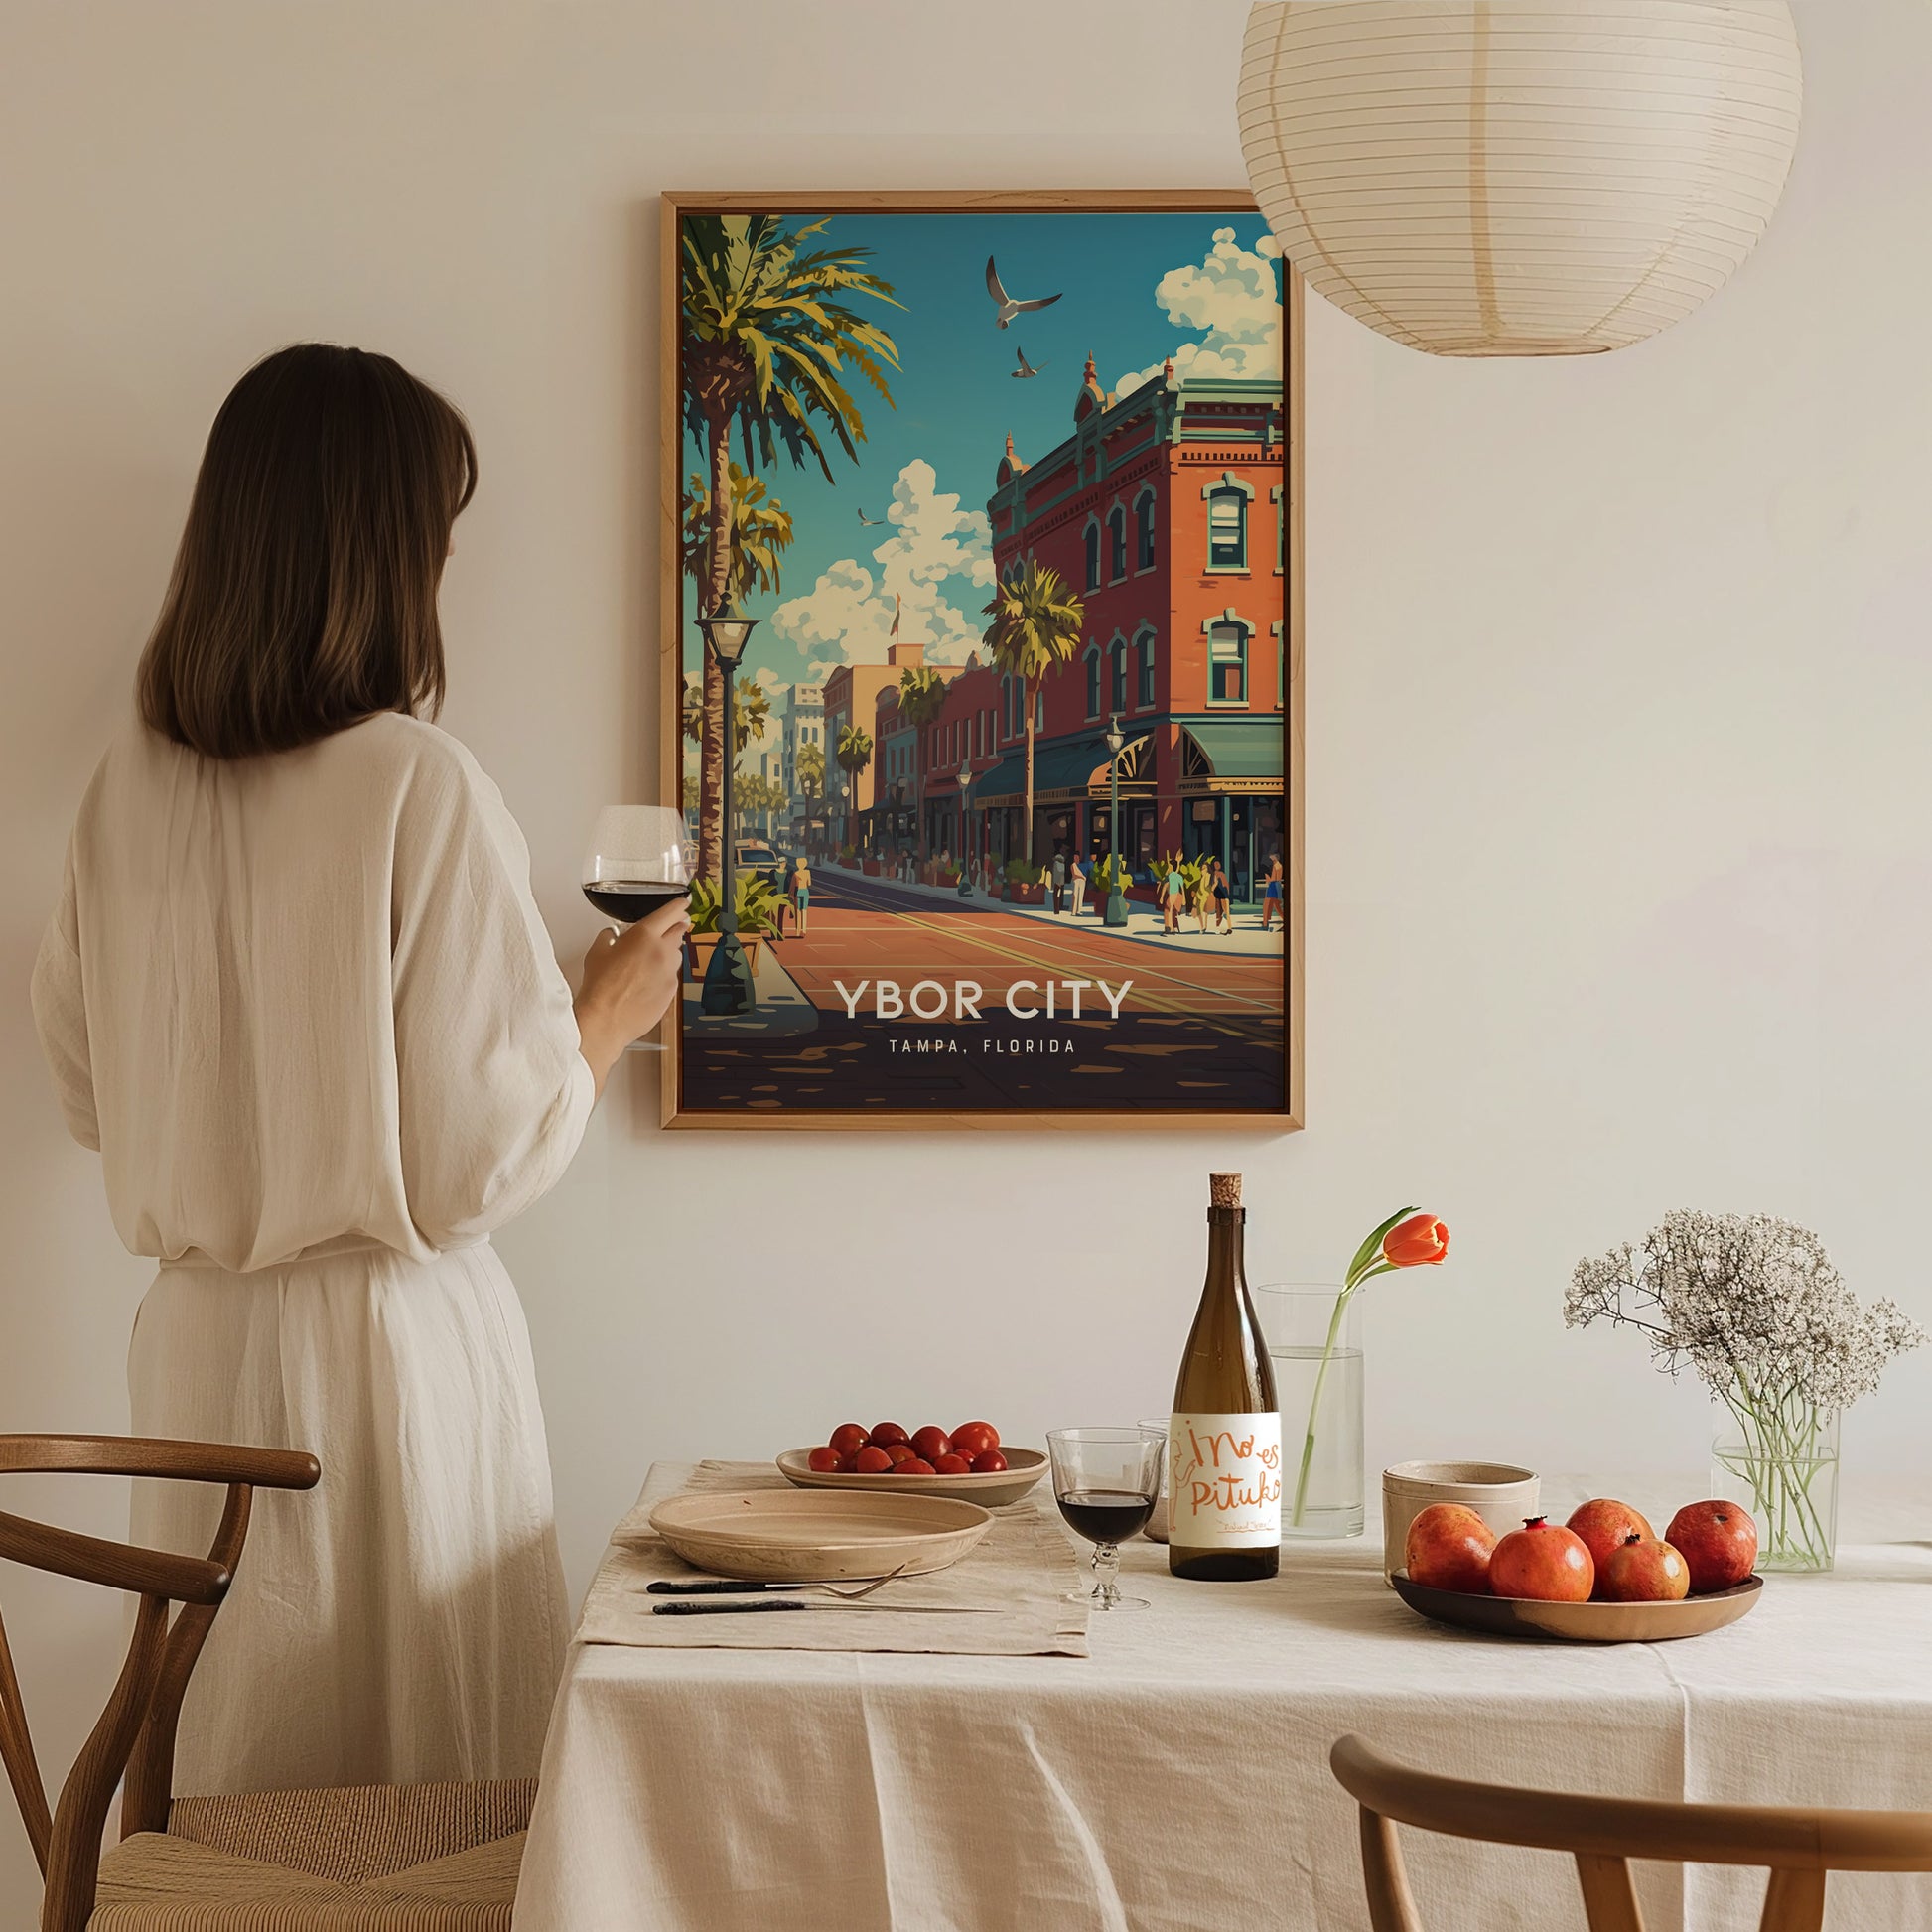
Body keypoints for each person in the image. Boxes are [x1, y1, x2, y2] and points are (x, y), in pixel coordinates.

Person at [30, 344, 688, 1797]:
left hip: (194, 1355)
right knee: (426, 1801)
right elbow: (472, 1162)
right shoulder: (416, 780)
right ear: (383, 550)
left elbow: (87, 1091)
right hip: (388, 1362)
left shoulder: (122, 792)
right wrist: (601, 1016)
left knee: (234, 1778)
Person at [1261, 851, 1286, 932]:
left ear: (1275, 856)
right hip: (1274, 886)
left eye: (1271, 855)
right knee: (1274, 906)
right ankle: (1265, 923)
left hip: (1273, 886)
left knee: (1268, 905)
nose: (1270, 856)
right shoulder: (1277, 865)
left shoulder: (1276, 865)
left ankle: (1265, 923)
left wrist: (1268, 878)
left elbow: (1275, 879)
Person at [1208, 856, 1233, 934]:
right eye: (1216, 864)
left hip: (1222, 895)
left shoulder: (1220, 874)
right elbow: (1221, 884)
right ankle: (1226, 928)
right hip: (1218, 895)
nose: (1217, 865)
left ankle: (1229, 927)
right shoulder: (1214, 875)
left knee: (1225, 912)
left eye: (1218, 863)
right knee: (1222, 913)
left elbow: (1226, 884)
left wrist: (1228, 894)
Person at [1163, 858, 1186, 934]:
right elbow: (1182, 888)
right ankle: (1171, 927)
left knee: (1168, 911)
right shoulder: (1179, 876)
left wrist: (1161, 897)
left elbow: (1165, 886)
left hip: (1173, 895)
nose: (1168, 868)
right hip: (1178, 895)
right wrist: (1184, 899)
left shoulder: (1169, 876)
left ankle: (1170, 928)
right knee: (1172, 911)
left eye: (1169, 867)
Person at [791, 853, 812, 934]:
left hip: (798, 891)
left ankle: (798, 930)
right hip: (805, 891)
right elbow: (809, 883)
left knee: (798, 910)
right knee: (804, 910)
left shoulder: (796, 873)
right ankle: (804, 930)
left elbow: (793, 885)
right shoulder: (807, 872)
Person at [1067, 851, 1087, 919]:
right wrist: (1083, 877)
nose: (1077, 858)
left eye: (1077, 857)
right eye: (1075, 857)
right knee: (1075, 896)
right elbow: (1074, 874)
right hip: (1076, 881)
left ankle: (1079, 911)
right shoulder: (1073, 865)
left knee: (1081, 896)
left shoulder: (1080, 865)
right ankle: (1073, 912)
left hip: (1082, 881)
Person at [1050, 847, 1067, 916]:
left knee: (1056, 896)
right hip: (1060, 882)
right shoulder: (1062, 864)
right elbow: (1061, 872)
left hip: (1057, 882)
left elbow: (1056, 873)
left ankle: (1057, 910)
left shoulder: (1056, 863)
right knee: (1059, 896)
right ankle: (1058, 909)